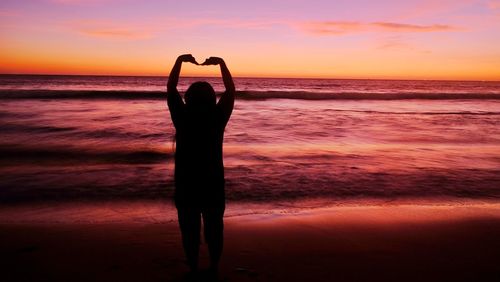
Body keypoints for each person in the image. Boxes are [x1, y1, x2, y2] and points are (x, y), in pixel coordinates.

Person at [166, 54, 235, 275]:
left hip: (186, 182)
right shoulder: (217, 118)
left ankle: (194, 267)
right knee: (215, 226)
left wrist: (179, 61)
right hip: (213, 182)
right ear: (211, 99)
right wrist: (222, 64)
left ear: (188, 99)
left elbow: (170, 89)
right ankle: (214, 266)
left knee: (189, 228)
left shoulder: (182, 117)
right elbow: (231, 92)